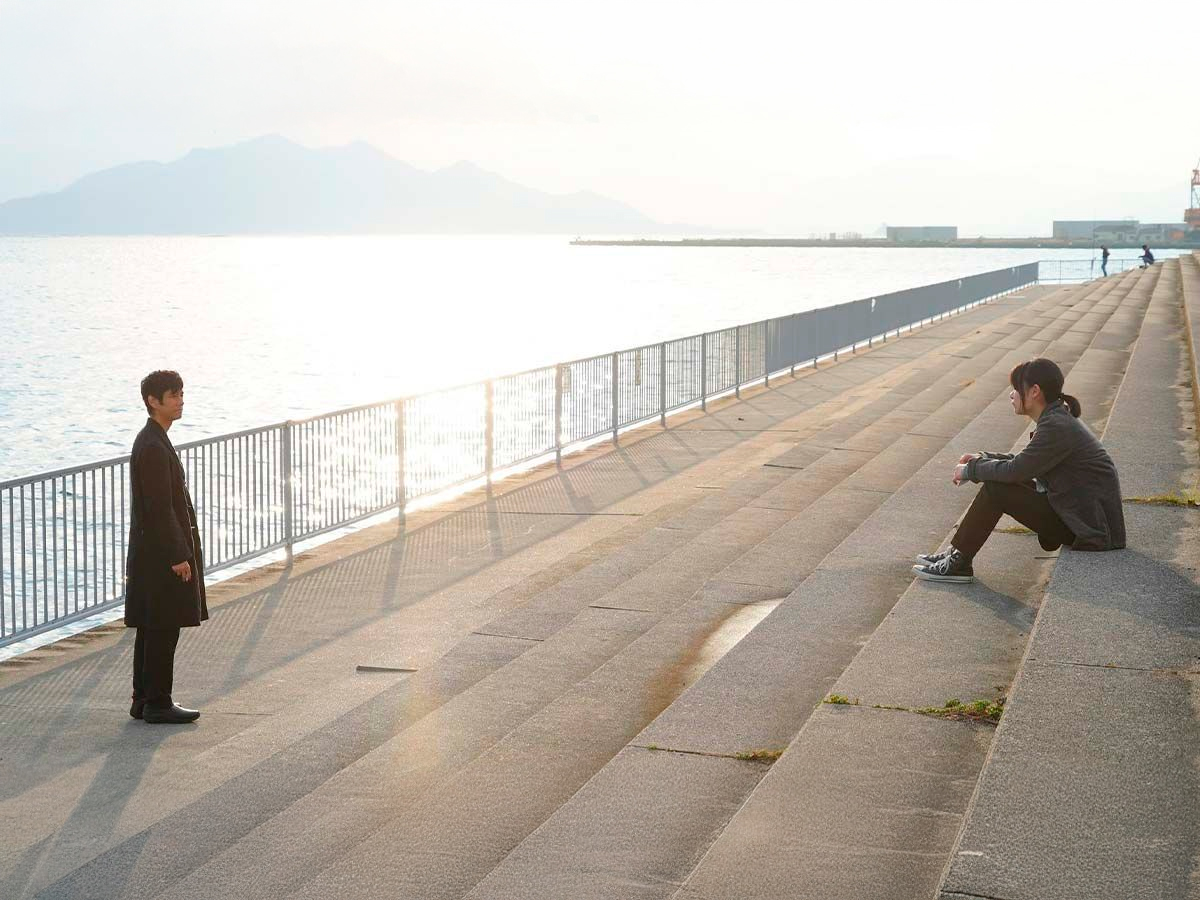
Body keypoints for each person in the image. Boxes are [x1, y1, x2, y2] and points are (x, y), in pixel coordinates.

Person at [912, 358, 1125, 583]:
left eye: (1016, 389)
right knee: (1000, 483)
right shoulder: (1057, 418)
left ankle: (959, 561)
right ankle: (957, 553)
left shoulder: (1057, 426)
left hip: (1090, 529)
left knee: (997, 490)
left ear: (1034, 392)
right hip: (1082, 518)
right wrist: (982, 459)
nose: (1012, 395)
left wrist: (970, 470)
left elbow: (1017, 470)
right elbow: (1026, 462)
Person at [125, 370, 207, 724]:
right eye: (172, 396)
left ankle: (144, 699)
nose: (180, 401)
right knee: (163, 626)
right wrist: (178, 555)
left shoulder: (153, 440)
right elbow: (160, 508)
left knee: (151, 625)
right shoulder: (154, 447)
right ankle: (158, 702)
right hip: (160, 555)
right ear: (152, 401)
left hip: (150, 553)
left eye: (181, 394)